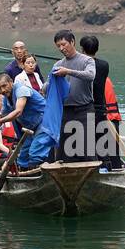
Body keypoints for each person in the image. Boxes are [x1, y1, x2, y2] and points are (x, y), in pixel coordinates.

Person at [51, 29, 96, 162]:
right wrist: (52, 81)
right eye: (58, 46)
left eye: (64, 44)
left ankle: (93, 176)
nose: (61, 48)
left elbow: (90, 75)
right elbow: (46, 87)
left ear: (72, 42)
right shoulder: (58, 64)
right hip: (65, 111)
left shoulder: (87, 60)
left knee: (87, 149)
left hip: (84, 110)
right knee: (62, 151)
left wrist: (69, 71)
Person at [79, 35, 122, 170]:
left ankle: (96, 168)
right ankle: (112, 167)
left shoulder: (80, 65)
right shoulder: (104, 65)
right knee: (106, 145)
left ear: (82, 49)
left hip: (87, 111)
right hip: (102, 111)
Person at [0, 71, 47, 168]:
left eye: (4, 86)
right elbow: (4, 114)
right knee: (22, 158)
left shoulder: (21, 90)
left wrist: (0, 121)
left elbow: (18, 111)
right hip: (29, 127)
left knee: (35, 153)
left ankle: (35, 175)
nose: (2, 90)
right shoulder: (6, 98)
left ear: (11, 82)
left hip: (44, 121)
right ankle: (23, 173)